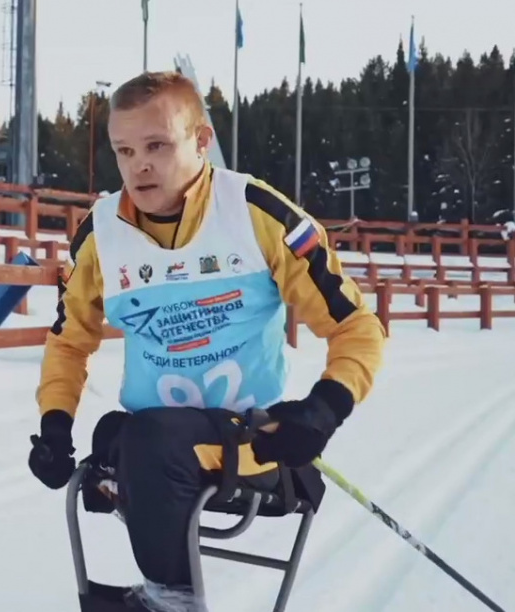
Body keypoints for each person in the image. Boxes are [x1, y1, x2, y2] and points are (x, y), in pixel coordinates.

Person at [27, 71, 386, 612]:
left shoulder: (257, 215)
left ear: (201, 140)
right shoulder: (101, 232)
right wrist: (54, 425)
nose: (138, 165)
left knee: (146, 442)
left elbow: (357, 326)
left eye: (157, 145)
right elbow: (68, 338)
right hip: (151, 437)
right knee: (120, 435)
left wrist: (322, 410)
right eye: (124, 150)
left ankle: (170, 603)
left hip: (248, 436)